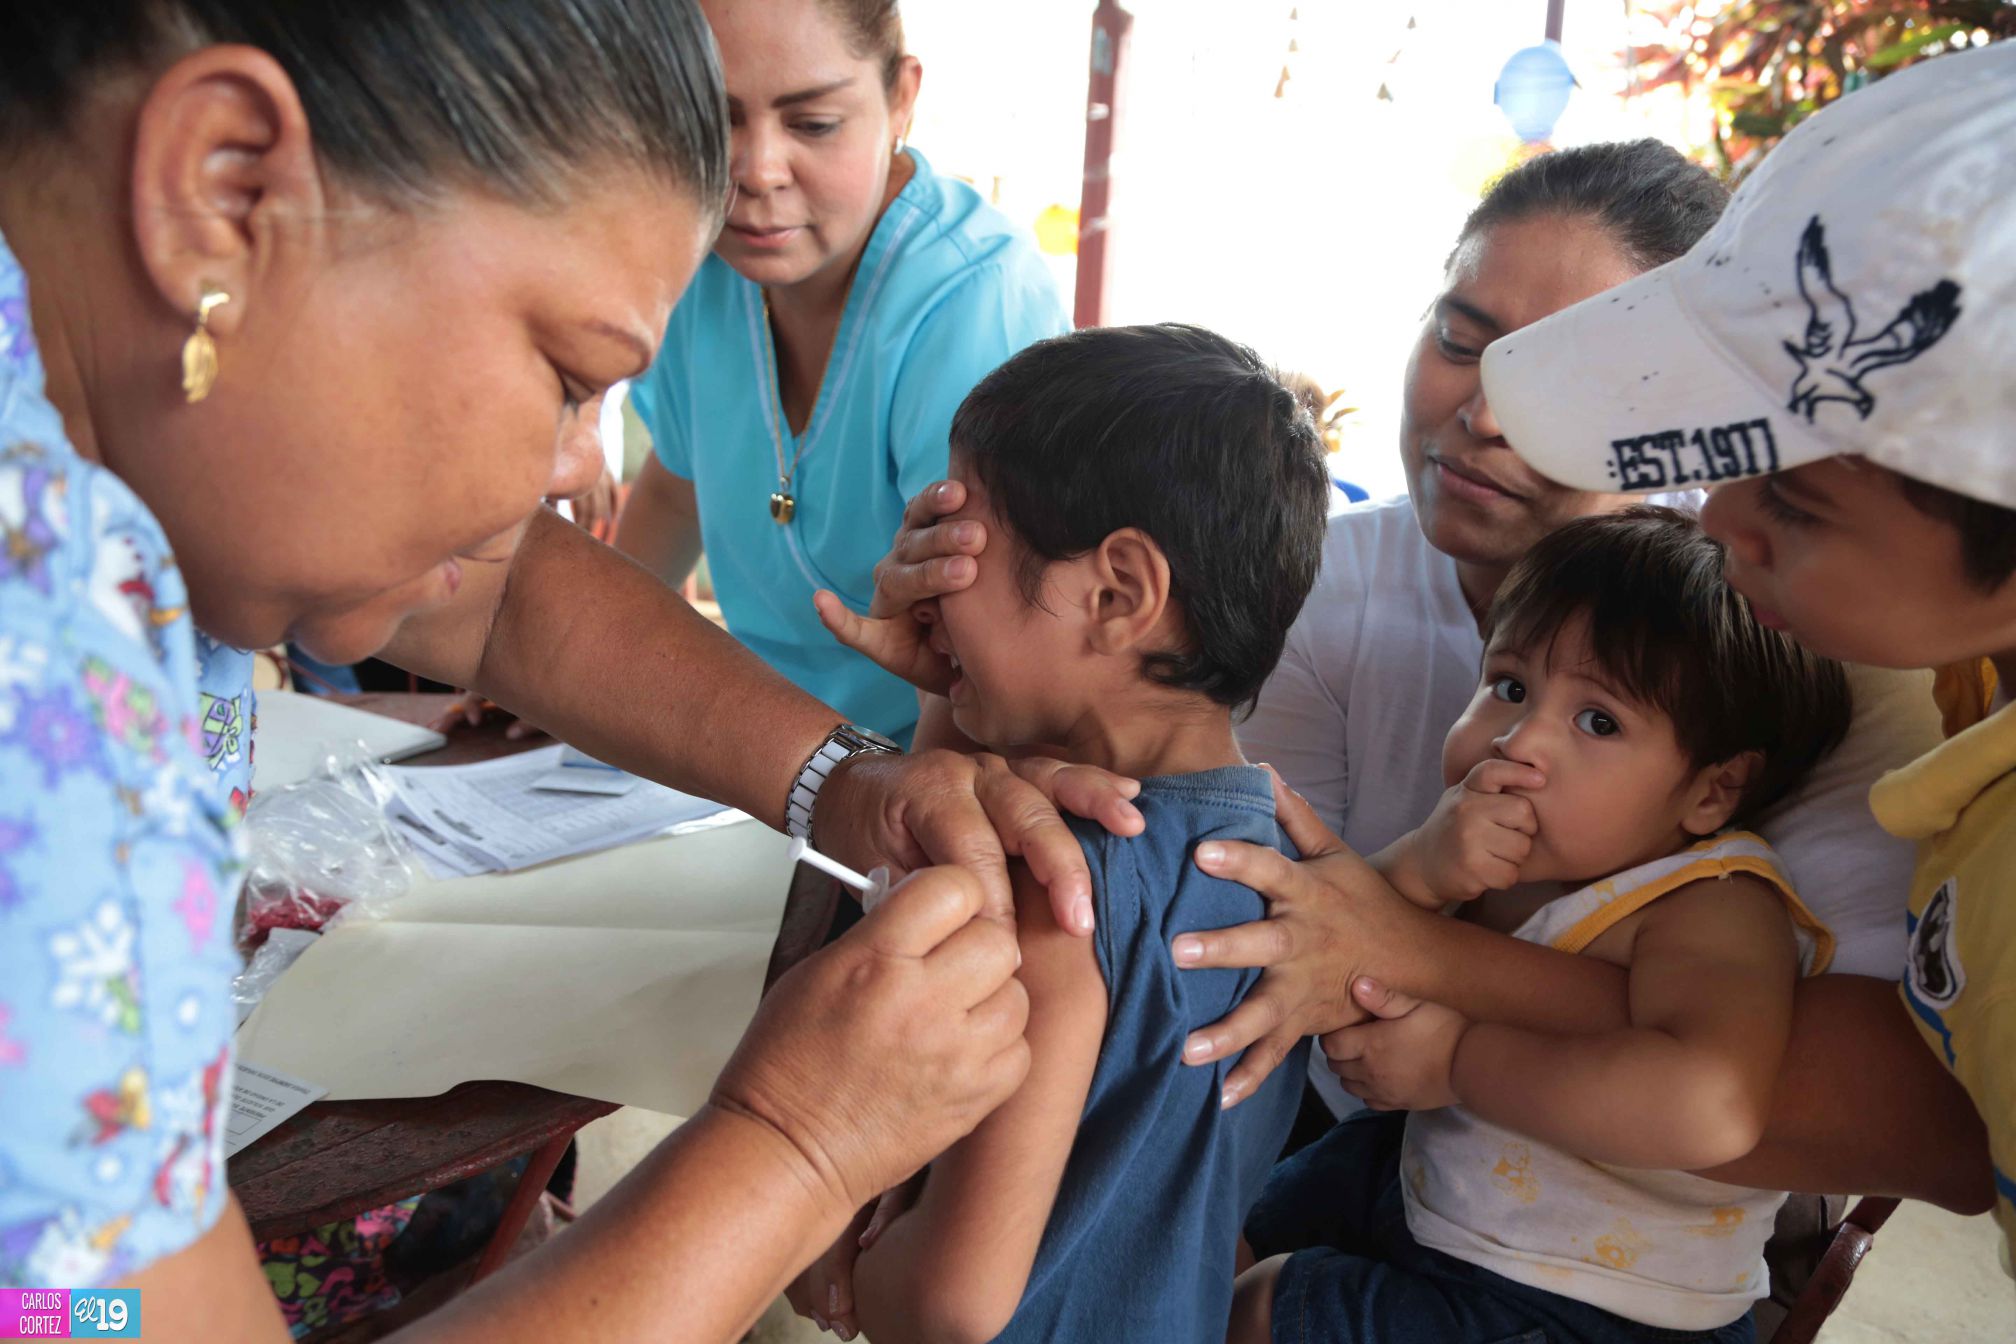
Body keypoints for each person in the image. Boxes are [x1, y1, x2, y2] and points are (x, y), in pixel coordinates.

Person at [0, 4, 1140, 1339]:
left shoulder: (89, 427)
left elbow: (489, 585)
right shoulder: (46, 656)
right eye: (563, 378)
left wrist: (843, 780)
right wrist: (794, 1146)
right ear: (226, 185)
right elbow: (83, 1316)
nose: (567, 470)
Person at [867, 139, 1990, 1221]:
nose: (1489, 411)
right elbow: (1248, 940)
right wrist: (959, 687)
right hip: (1354, 1159)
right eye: (1465, 335)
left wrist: (1420, 967)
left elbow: (1927, 1118)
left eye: (1578, 377)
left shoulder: (1792, 636)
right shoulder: (1318, 585)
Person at [1468, 36, 2016, 1262]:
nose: (1719, 520)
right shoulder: (1964, 677)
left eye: (1802, 510)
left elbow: (1933, 1126)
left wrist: (1437, 1009)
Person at [800, 324, 1329, 1344]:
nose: (922, 579)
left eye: (959, 547)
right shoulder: (1286, 871)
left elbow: (957, 1303)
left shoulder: (1059, 885)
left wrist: (844, 1240)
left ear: (1118, 594)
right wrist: (946, 687)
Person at [1232, 508, 1851, 1343]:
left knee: (1268, 1308)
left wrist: (1457, 1059)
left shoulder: (1713, 899)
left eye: (1598, 722)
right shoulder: (1490, 850)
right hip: (1431, 1179)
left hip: (1594, 1306)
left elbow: (1710, 1105)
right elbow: (1330, 944)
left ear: (1712, 791)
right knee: (1229, 1233)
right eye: (1511, 686)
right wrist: (1416, 869)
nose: (1519, 741)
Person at [613, 0, 1069, 746]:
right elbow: (676, 485)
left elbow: (981, 635)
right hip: (760, 749)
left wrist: (883, 806)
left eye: (813, 124)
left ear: (901, 100)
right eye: (711, 118)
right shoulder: (703, 262)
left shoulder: (975, 299)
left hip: (933, 756)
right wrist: (565, 675)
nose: (757, 170)